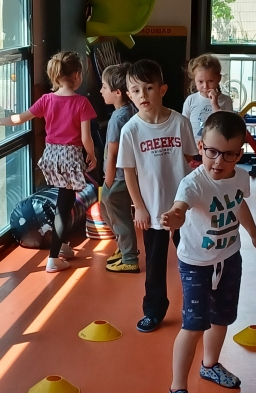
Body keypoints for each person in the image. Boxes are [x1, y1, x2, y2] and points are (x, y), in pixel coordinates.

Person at [161, 111, 256, 393]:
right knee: (194, 324)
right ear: (201, 146)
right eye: (212, 152)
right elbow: (181, 208)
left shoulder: (240, 177)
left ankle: (209, 365)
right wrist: (174, 216)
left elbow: (238, 205)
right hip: (196, 264)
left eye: (229, 155)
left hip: (230, 257)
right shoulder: (194, 183)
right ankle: (177, 388)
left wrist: (254, 234)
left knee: (222, 317)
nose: (219, 161)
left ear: (239, 154)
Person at [117, 59, 198, 332]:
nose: (143, 95)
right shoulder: (131, 130)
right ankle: (154, 310)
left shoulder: (180, 123)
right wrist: (138, 207)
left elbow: (192, 161)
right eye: (136, 90)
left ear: (162, 90)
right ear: (129, 95)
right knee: (154, 264)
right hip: (151, 209)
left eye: (148, 88)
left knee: (192, 257)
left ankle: (197, 305)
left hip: (182, 208)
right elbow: (128, 172)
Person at [0, 51, 97, 273]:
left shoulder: (46, 100)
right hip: (70, 157)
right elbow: (85, 138)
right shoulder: (81, 103)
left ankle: (62, 246)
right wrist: (91, 154)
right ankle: (53, 258)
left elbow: (19, 118)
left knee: (63, 200)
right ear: (77, 75)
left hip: (51, 156)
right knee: (64, 206)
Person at [99, 63, 139, 273]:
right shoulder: (131, 110)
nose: (101, 91)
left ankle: (129, 257)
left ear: (116, 92)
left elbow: (112, 153)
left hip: (118, 177)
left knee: (117, 215)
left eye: (104, 87)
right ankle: (125, 248)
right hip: (126, 175)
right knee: (109, 211)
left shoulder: (117, 118)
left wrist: (108, 181)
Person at [183, 53, 233, 148]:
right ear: (194, 80)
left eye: (210, 81)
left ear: (218, 79)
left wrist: (214, 104)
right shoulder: (191, 100)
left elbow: (226, 126)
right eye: (200, 82)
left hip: (216, 149)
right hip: (195, 149)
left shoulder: (226, 100)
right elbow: (183, 126)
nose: (205, 86)